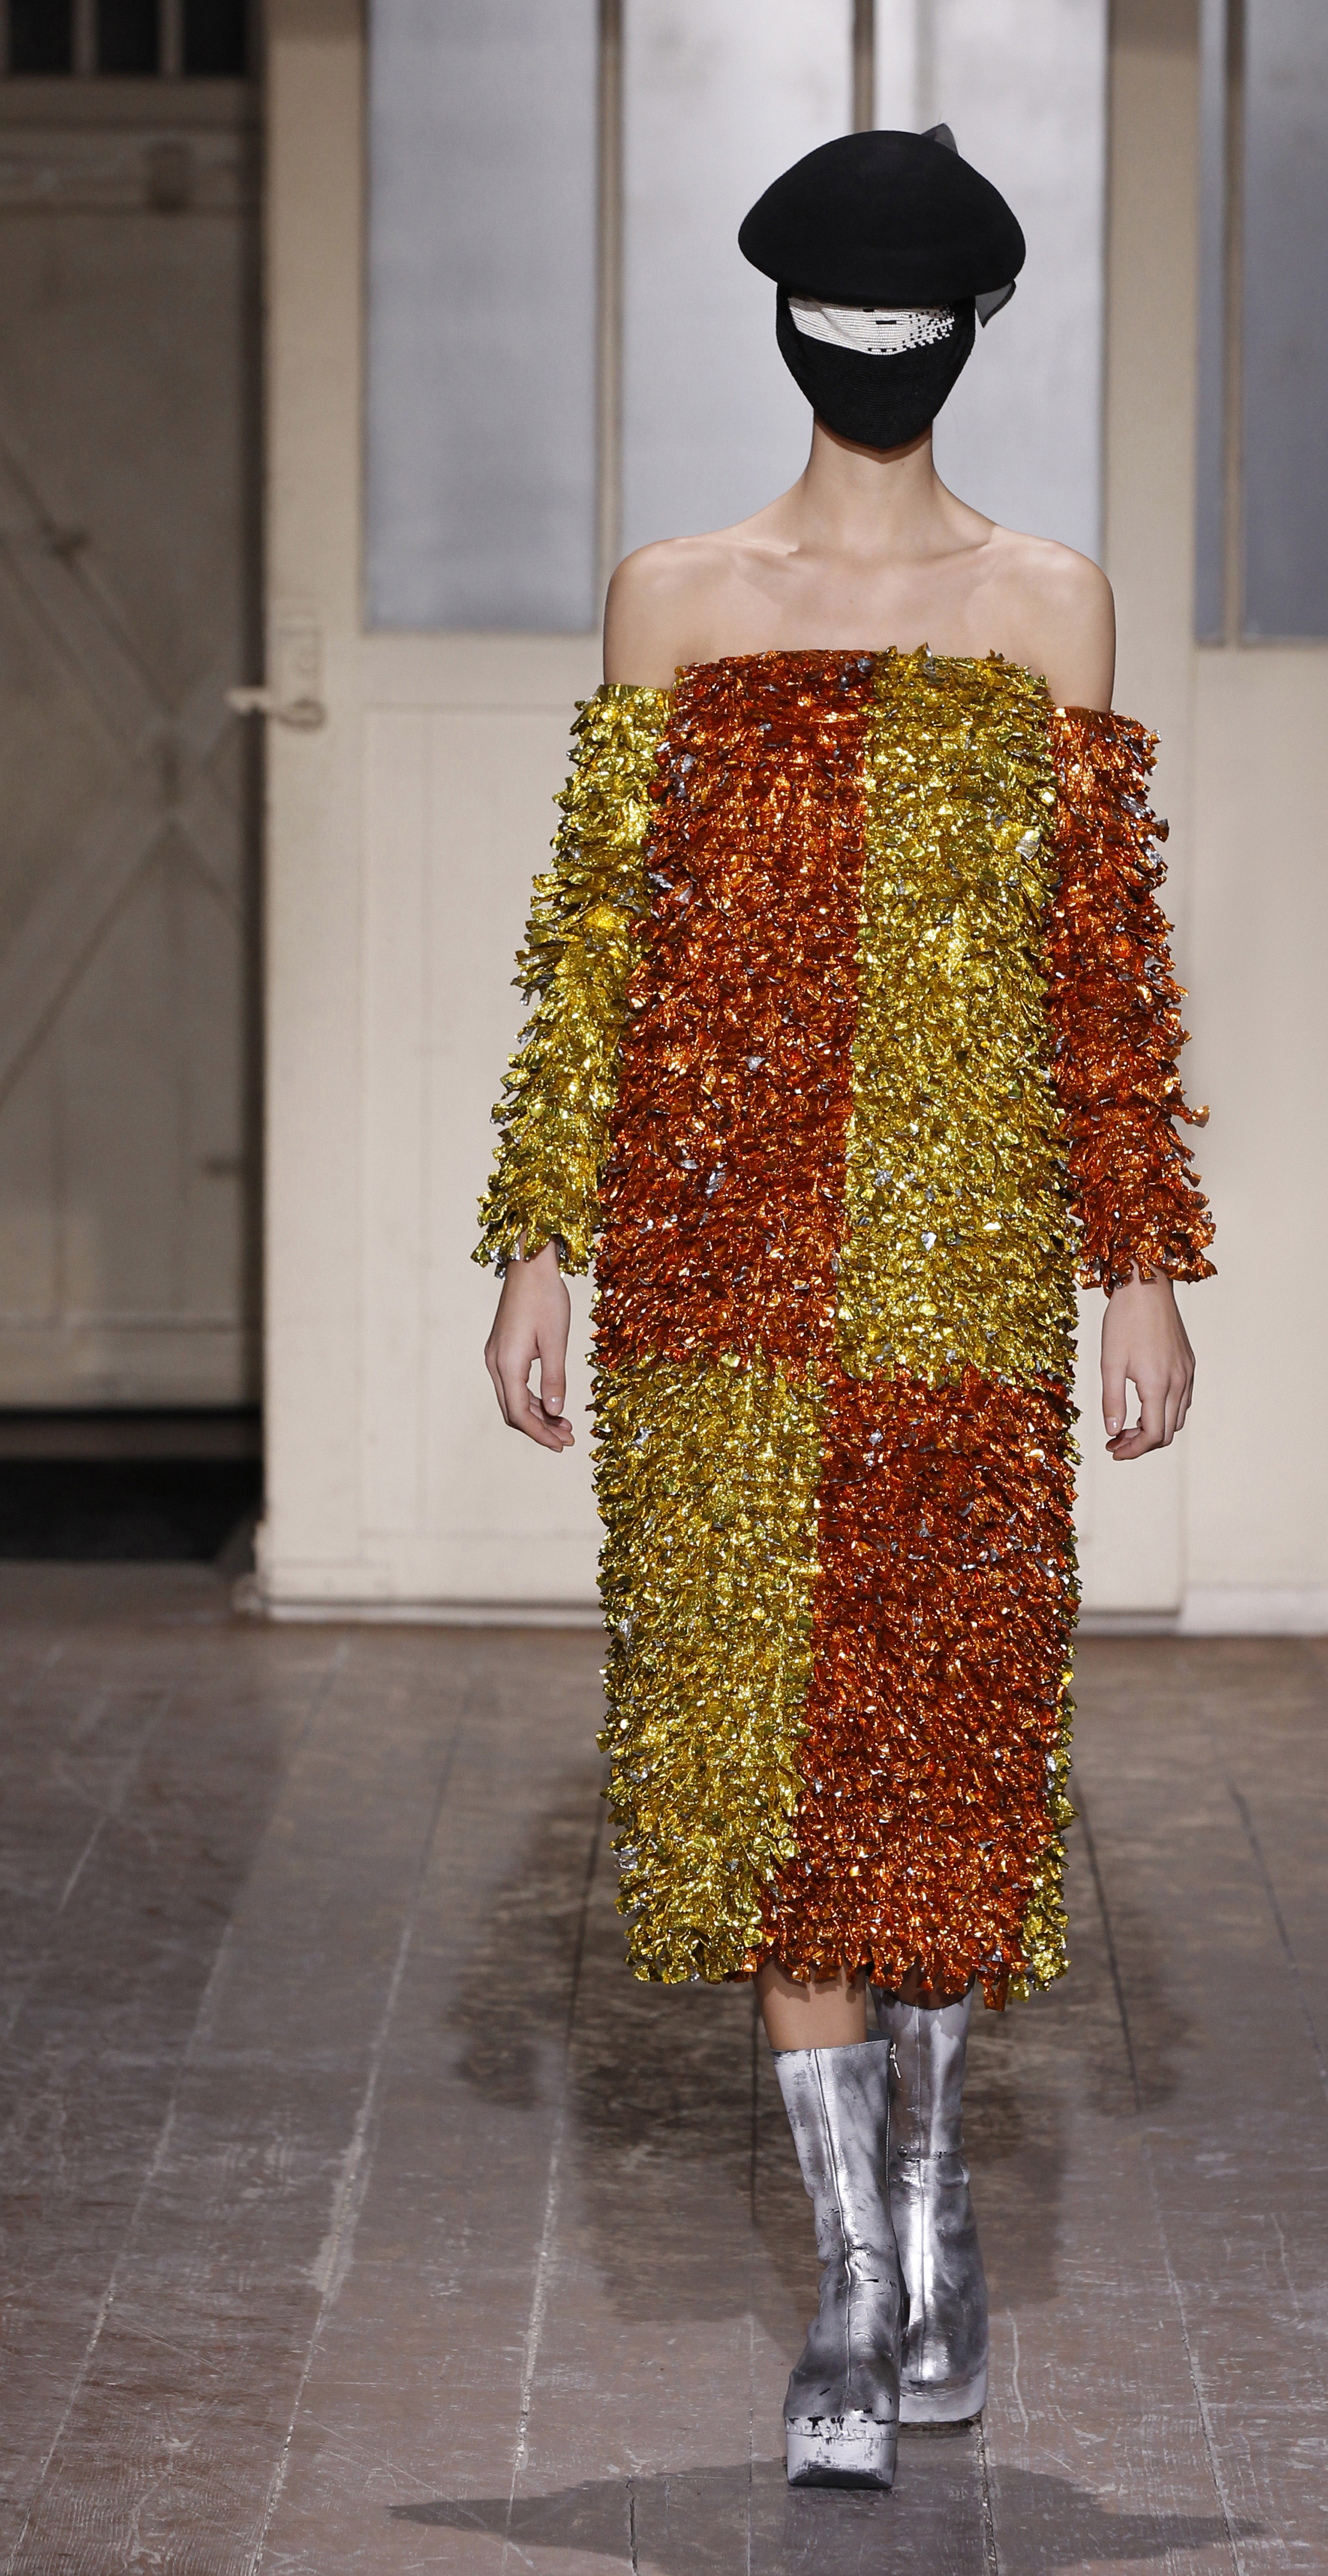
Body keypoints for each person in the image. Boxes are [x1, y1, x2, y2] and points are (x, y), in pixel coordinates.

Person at [476, 126, 1213, 2493]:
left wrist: (1136, 1268)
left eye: (906, 306)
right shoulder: (675, 599)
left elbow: (1101, 962)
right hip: (711, 1270)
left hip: (964, 1271)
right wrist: (539, 1240)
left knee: (938, 1766)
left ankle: (929, 2191)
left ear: (969, 326)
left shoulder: (1048, 605)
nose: (879, 339)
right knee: (754, 1774)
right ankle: (852, 2282)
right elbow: (597, 943)